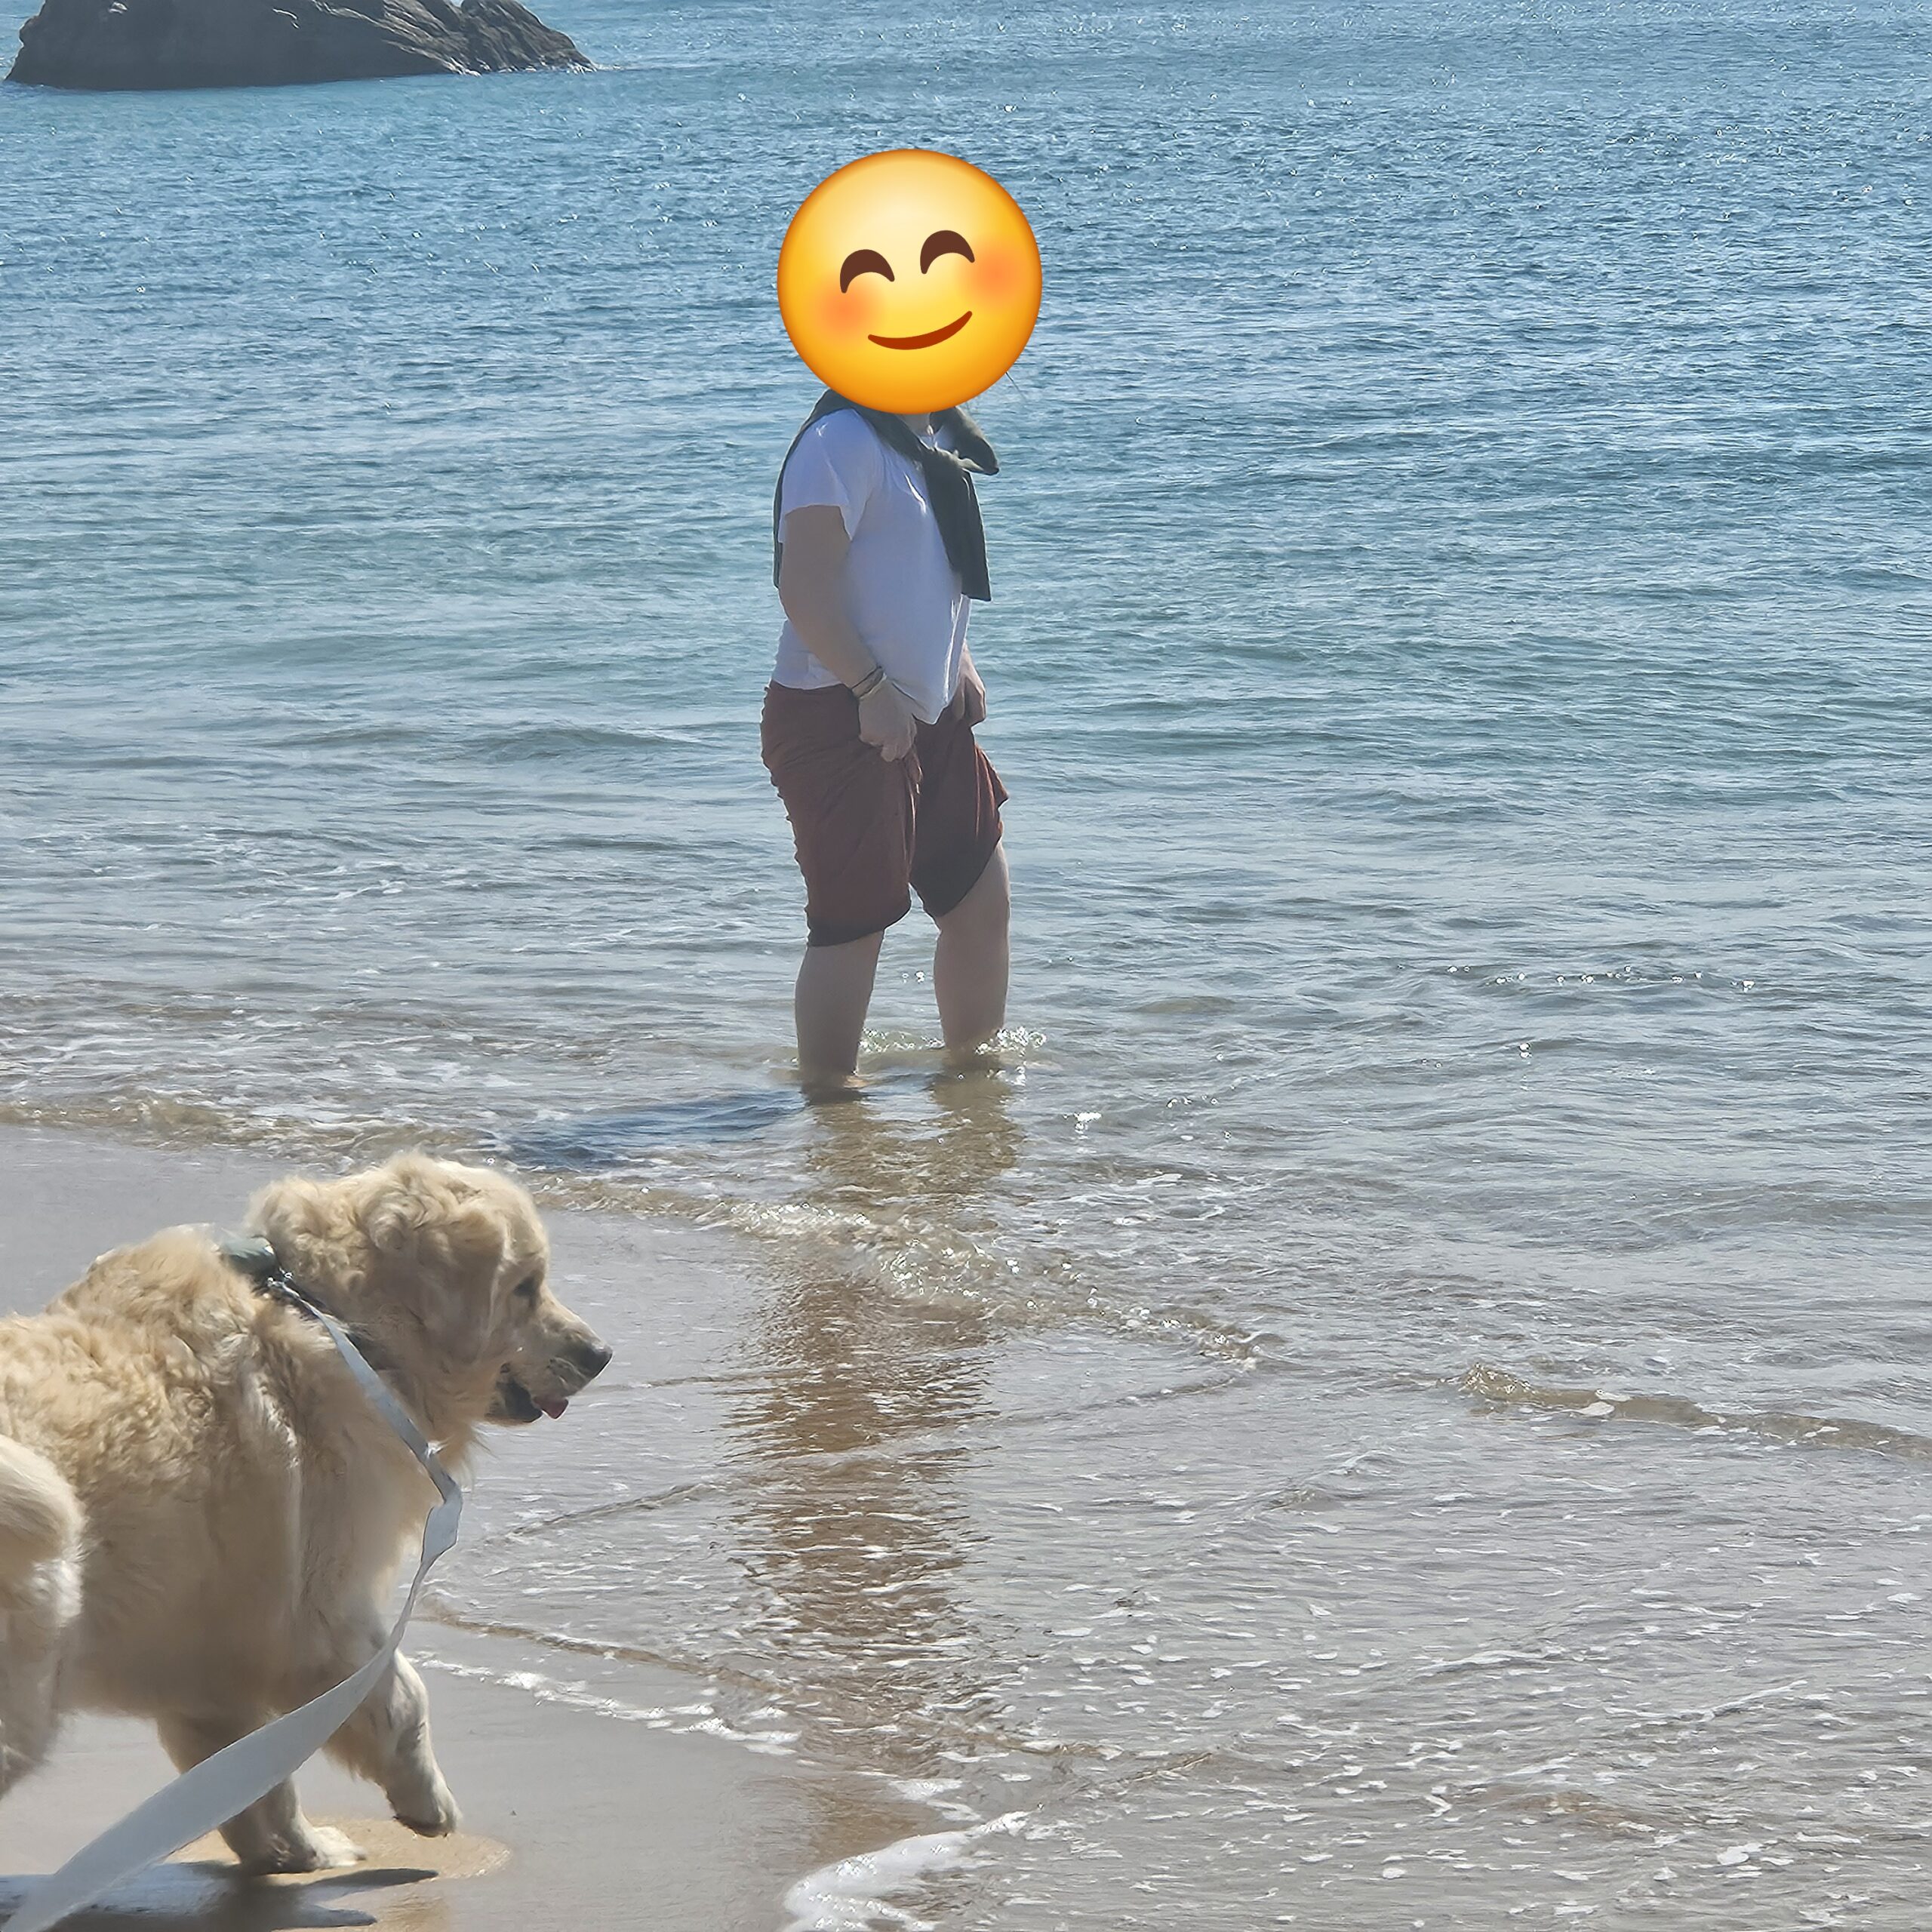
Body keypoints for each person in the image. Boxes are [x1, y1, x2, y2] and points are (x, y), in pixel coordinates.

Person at [761, 391, 1011, 1094]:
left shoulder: (929, 441)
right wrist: (871, 690)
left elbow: (912, 579)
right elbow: (803, 585)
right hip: (837, 710)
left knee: (979, 899)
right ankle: (830, 1102)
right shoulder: (841, 440)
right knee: (854, 923)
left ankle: (973, 1086)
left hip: (925, 710)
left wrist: (957, 660)